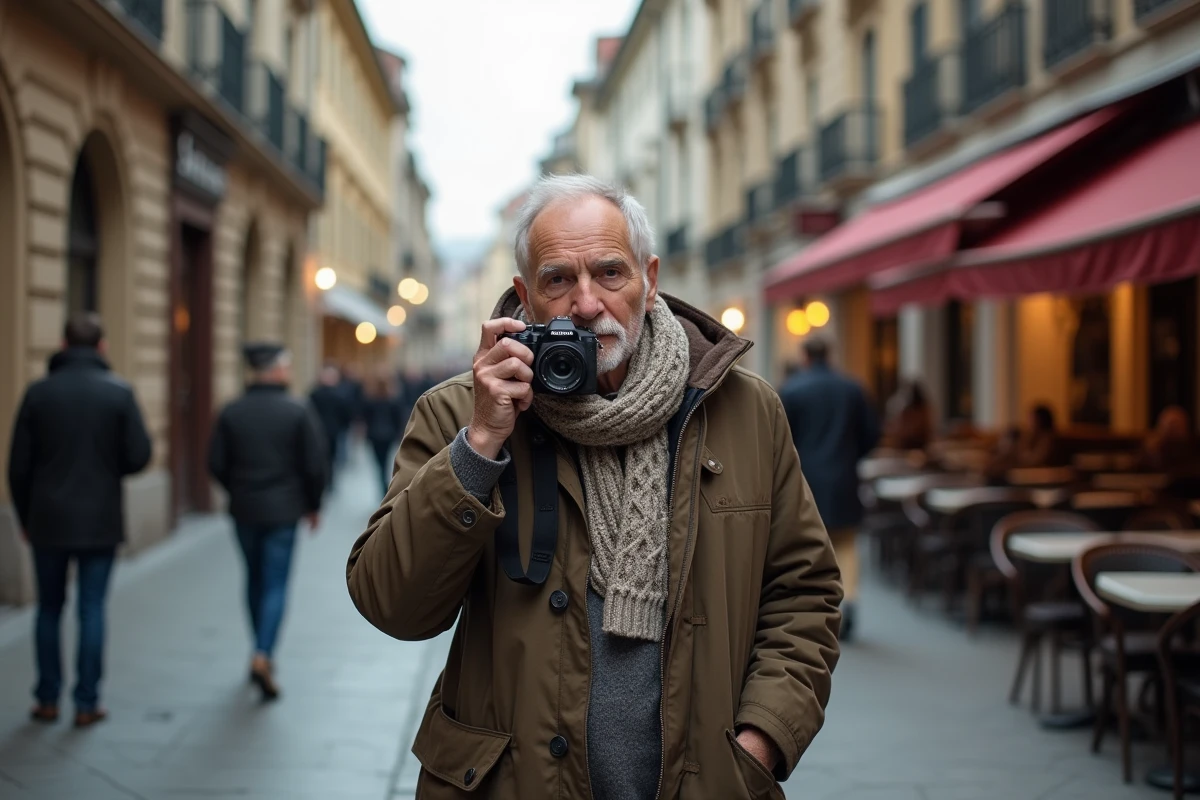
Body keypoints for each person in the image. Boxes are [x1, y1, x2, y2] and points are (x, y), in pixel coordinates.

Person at [347, 175, 842, 799]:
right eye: (558, 279)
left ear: (649, 278)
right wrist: (479, 447)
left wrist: (760, 741)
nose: (586, 304)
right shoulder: (460, 415)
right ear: (525, 297)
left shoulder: (743, 410)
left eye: (610, 273)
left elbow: (804, 592)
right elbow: (392, 604)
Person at [7, 314, 152, 727]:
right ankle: (87, 702)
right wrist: (109, 465)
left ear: (63, 344)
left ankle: (47, 699)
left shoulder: (38, 394)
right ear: (102, 347)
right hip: (99, 519)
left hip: (47, 519)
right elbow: (139, 455)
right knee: (92, 608)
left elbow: (18, 465)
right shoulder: (119, 393)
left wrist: (24, 515)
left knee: (49, 609)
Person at [208, 343, 327, 701]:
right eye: (286, 366)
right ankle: (263, 653)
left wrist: (237, 489)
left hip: (244, 508)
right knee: (275, 582)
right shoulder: (297, 410)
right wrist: (312, 504)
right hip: (283, 510)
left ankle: (258, 646)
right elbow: (315, 464)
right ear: (275, 370)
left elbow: (215, 463)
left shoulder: (232, 411)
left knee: (255, 578)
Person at [780, 337, 881, 641]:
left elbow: (781, 437)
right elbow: (872, 434)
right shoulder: (852, 388)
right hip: (844, 476)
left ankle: (812, 609)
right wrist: (850, 456)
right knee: (846, 544)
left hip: (805, 477)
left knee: (804, 543)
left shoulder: (792, 389)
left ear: (805, 356)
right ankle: (848, 601)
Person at [361, 372, 407, 496]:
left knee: (379, 462)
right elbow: (398, 418)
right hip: (388, 435)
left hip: (374, 435)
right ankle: (385, 484)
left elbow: (365, 418)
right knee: (386, 460)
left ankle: (383, 483)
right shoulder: (393, 399)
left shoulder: (370, 399)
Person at [309, 364, 349, 491]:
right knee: (330, 457)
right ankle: (329, 480)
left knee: (324, 457)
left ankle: (325, 480)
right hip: (331, 431)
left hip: (321, 431)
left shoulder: (315, 393)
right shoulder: (338, 394)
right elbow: (345, 414)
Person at [1139, 405, 1197, 473]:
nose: (1173, 429)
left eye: (1176, 425)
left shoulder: (1192, 451)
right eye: (1171, 425)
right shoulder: (1151, 451)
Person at [883, 380, 933, 451]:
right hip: (905, 448)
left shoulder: (923, 410)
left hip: (919, 447)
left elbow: (928, 431)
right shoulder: (906, 411)